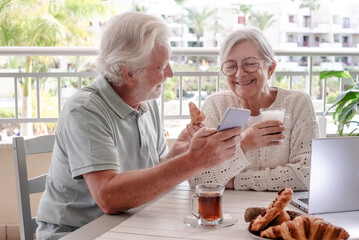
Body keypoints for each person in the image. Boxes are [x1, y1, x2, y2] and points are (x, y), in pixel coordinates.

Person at [36, 12, 243, 239]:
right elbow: (109, 198)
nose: (170, 73)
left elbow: (152, 171)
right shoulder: (85, 110)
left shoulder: (146, 101)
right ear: (128, 73)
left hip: (130, 221)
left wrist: (179, 152)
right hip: (81, 232)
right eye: (160, 67)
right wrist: (194, 160)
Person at [188, 27, 319, 192]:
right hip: (227, 209)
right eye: (231, 66)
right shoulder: (215, 105)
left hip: (281, 208)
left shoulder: (297, 103)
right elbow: (197, 178)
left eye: (250, 64)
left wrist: (237, 181)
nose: (240, 73)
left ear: (270, 69)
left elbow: (307, 175)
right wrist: (243, 144)